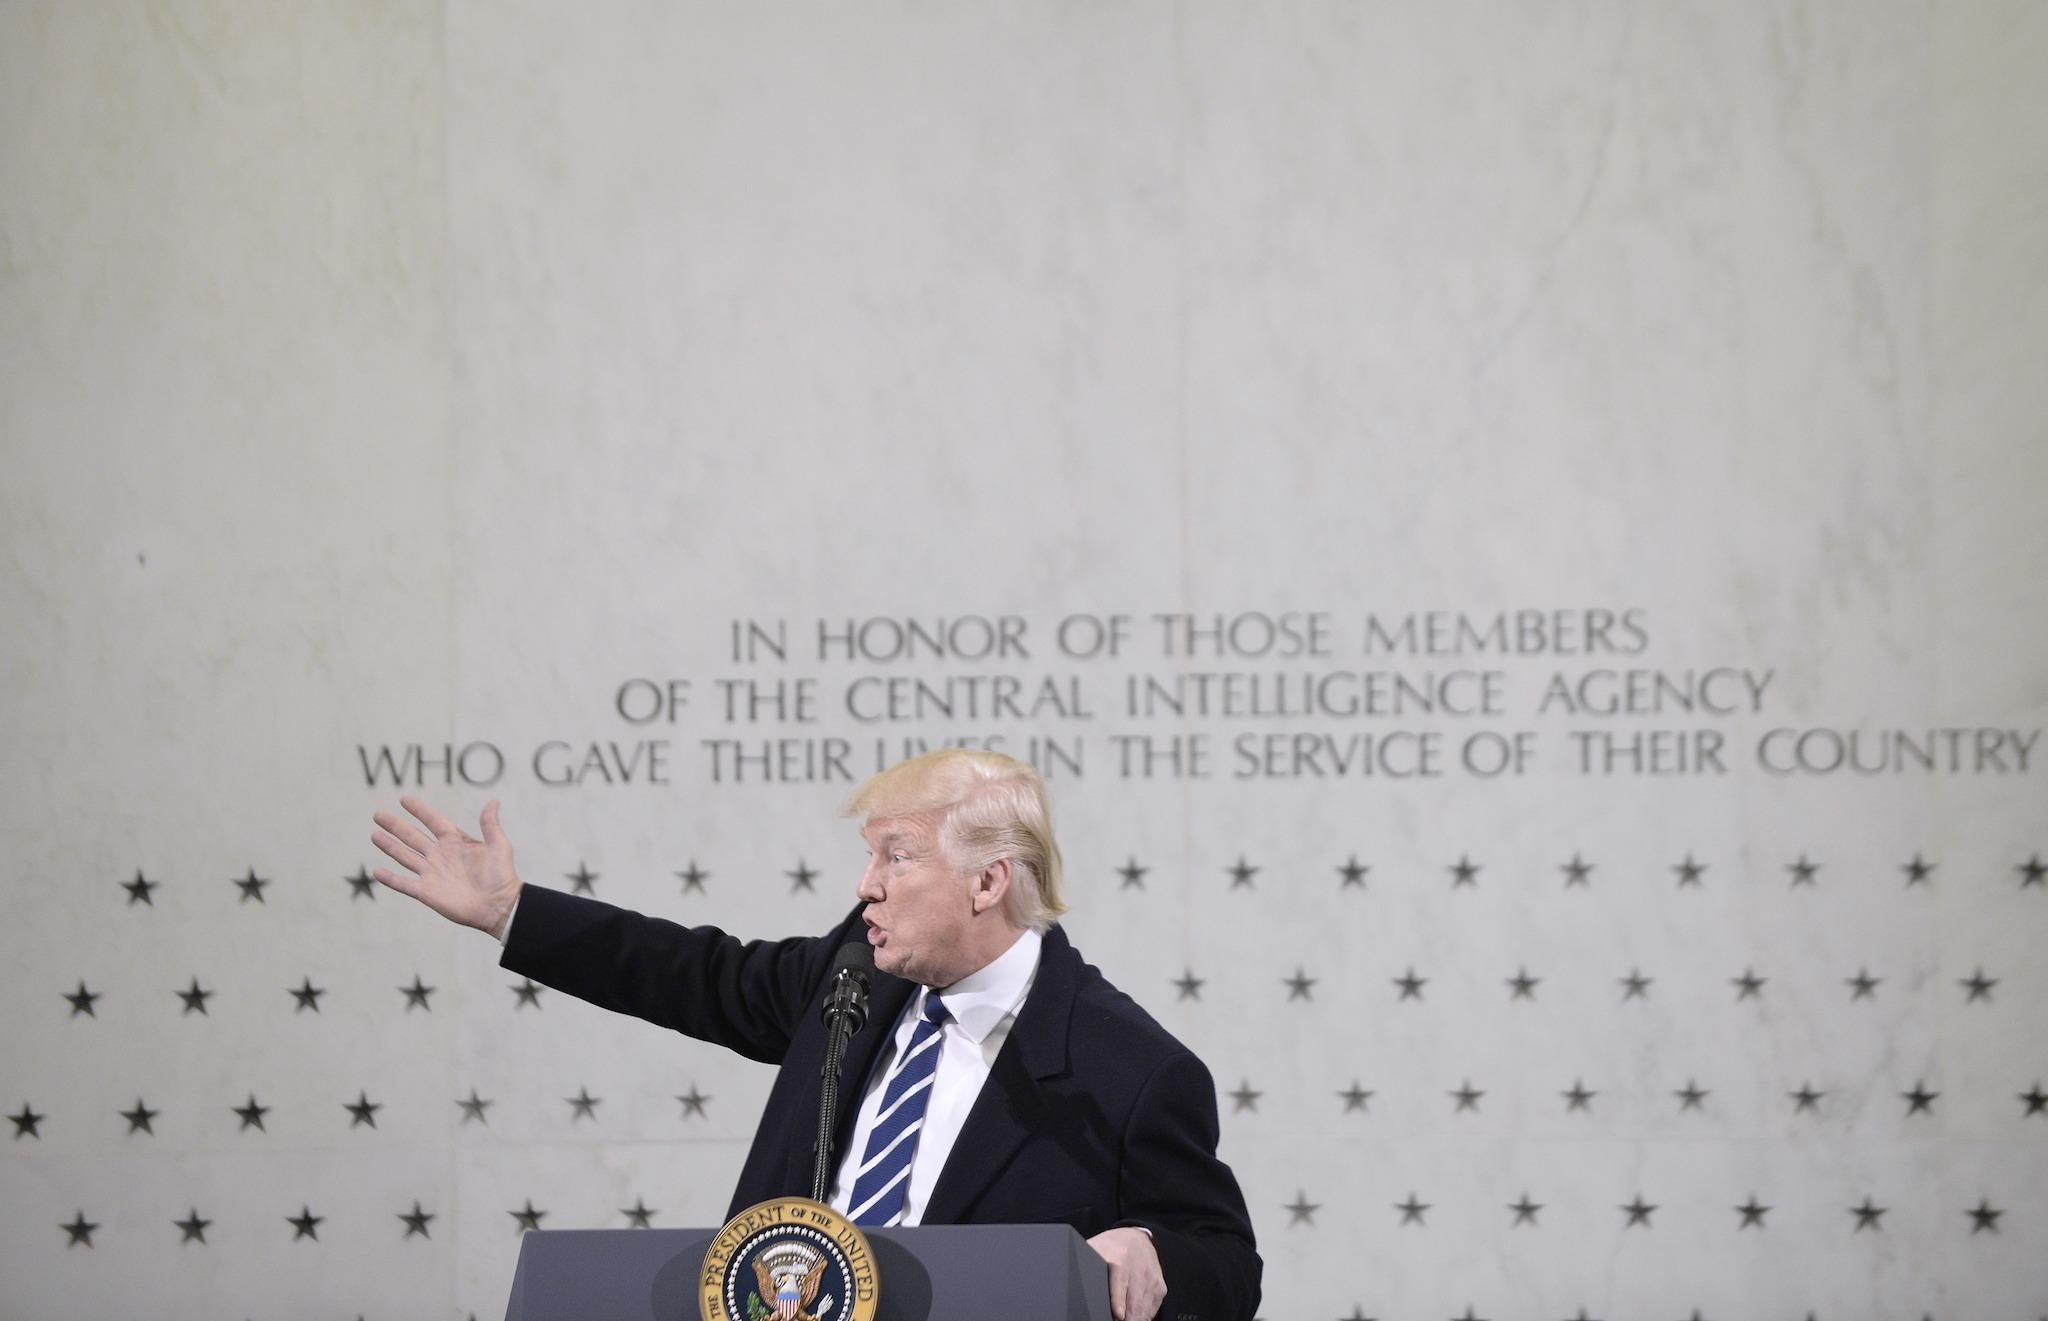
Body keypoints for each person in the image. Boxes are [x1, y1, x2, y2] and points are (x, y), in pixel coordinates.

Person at [371, 748, 1260, 1321]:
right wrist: (510, 913)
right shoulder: (850, 979)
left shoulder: (1130, 1068)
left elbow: (1225, 1261)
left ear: (989, 883)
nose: (866, 884)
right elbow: (694, 972)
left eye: (895, 856)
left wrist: (1150, 1247)